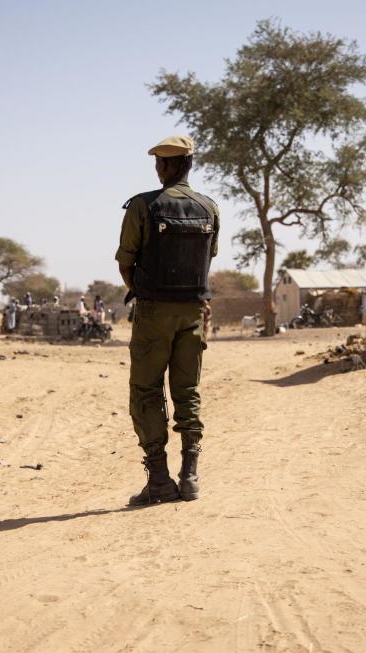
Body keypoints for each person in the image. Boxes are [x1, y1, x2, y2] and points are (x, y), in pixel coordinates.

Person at [115, 134, 219, 506]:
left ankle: (159, 479)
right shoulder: (209, 208)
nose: (158, 169)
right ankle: (189, 476)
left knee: (146, 391)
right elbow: (208, 260)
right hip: (193, 311)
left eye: (160, 163)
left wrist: (144, 293)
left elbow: (126, 261)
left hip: (154, 311)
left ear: (168, 165)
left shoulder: (143, 206)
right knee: (187, 391)